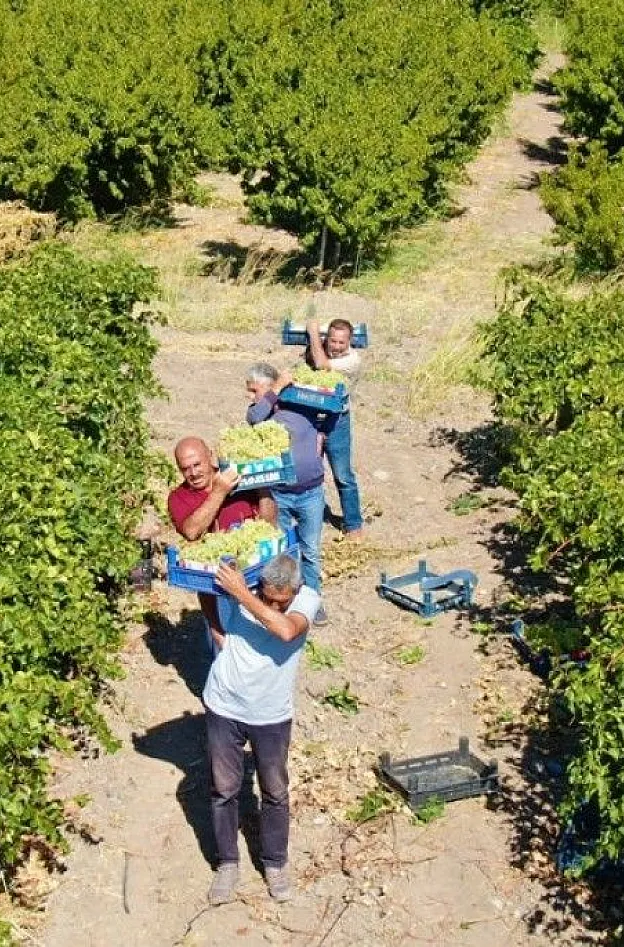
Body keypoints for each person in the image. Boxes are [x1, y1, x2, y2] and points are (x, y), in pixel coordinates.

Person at [204, 554, 319, 904]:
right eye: (266, 595)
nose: (271, 603)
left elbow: (285, 631)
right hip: (223, 705)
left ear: (294, 590)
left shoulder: (307, 599)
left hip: (271, 715)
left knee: (274, 790)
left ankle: (275, 863)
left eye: (278, 600)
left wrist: (243, 595)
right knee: (224, 789)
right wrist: (219, 633)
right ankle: (227, 863)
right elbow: (205, 591)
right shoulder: (249, 587)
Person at [168, 436, 276, 648]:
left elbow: (270, 524)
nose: (193, 473)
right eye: (185, 468)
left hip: (256, 581)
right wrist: (219, 491)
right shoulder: (178, 497)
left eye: (197, 464)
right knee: (225, 654)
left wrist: (262, 485)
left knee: (260, 649)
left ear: (210, 455)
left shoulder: (238, 477)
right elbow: (191, 532)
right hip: (216, 590)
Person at [244, 363, 325, 606]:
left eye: (253, 390)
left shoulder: (302, 403)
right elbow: (253, 417)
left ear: (268, 385)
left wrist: (321, 438)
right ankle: (282, 598)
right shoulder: (261, 412)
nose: (249, 396)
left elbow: (332, 412)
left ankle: (312, 600)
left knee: (310, 550)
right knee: (279, 550)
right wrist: (275, 390)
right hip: (279, 494)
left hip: (311, 491)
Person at [305, 318, 364, 539]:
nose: (336, 346)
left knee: (343, 475)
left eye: (342, 342)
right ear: (327, 339)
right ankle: (311, 518)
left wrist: (313, 334)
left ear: (349, 342)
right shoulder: (322, 350)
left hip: (337, 420)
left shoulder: (352, 361)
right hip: (312, 418)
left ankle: (353, 524)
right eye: (332, 341)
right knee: (311, 472)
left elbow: (321, 366)